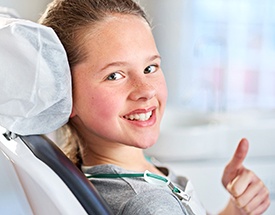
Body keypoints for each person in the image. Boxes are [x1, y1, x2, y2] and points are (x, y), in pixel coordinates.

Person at [39, 0, 270, 214]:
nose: (146, 90)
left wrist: (234, 210)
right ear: (64, 96)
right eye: (115, 75)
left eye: (150, 68)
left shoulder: (130, 173)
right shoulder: (148, 203)